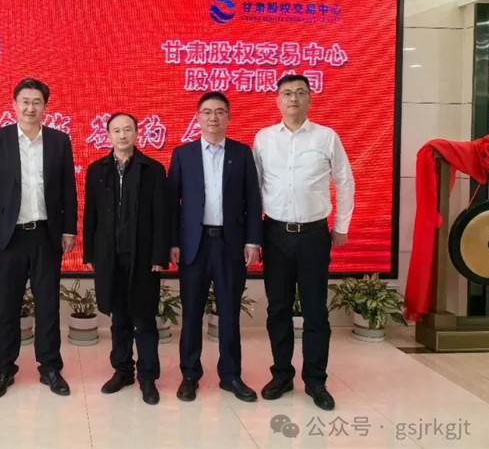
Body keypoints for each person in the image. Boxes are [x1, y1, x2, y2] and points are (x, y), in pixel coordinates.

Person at [252, 74, 355, 411]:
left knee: (315, 310)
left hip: (313, 235)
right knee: (278, 308)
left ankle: (315, 380)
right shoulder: (264, 139)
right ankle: (282, 375)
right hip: (275, 234)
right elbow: (254, 189)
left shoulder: (326, 137)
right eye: (287, 93)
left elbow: (345, 181)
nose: (293, 98)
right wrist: (253, 235)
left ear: (310, 98)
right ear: (277, 100)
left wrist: (341, 225)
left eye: (300, 93)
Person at [0, 78, 77, 399]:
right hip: (10, 237)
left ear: (45, 107)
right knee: (7, 306)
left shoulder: (59, 140)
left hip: (46, 236)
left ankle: (50, 367)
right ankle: (4, 368)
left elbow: (68, 188)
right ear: (14, 104)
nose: (30, 107)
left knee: (48, 305)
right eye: (25, 101)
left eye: (36, 102)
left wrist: (68, 229)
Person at [169, 91, 262, 403]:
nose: (213, 117)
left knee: (230, 313)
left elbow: (253, 199)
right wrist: (173, 242)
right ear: (197, 118)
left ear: (228, 117)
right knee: (192, 313)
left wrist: (253, 240)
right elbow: (172, 203)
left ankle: (231, 375)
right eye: (207, 112)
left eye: (220, 111)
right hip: (193, 247)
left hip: (230, 245)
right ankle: (189, 375)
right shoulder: (183, 154)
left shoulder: (241, 153)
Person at [83, 113, 169, 405]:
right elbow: (91, 214)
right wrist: (90, 253)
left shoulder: (152, 169)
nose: (122, 135)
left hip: (142, 257)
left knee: (143, 319)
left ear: (136, 133)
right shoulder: (97, 170)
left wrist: (159, 254)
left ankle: (147, 376)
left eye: (128, 129)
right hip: (109, 255)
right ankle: (122, 371)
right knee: (118, 317)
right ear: (108, 136)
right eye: (116, 131)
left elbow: (161, 215)